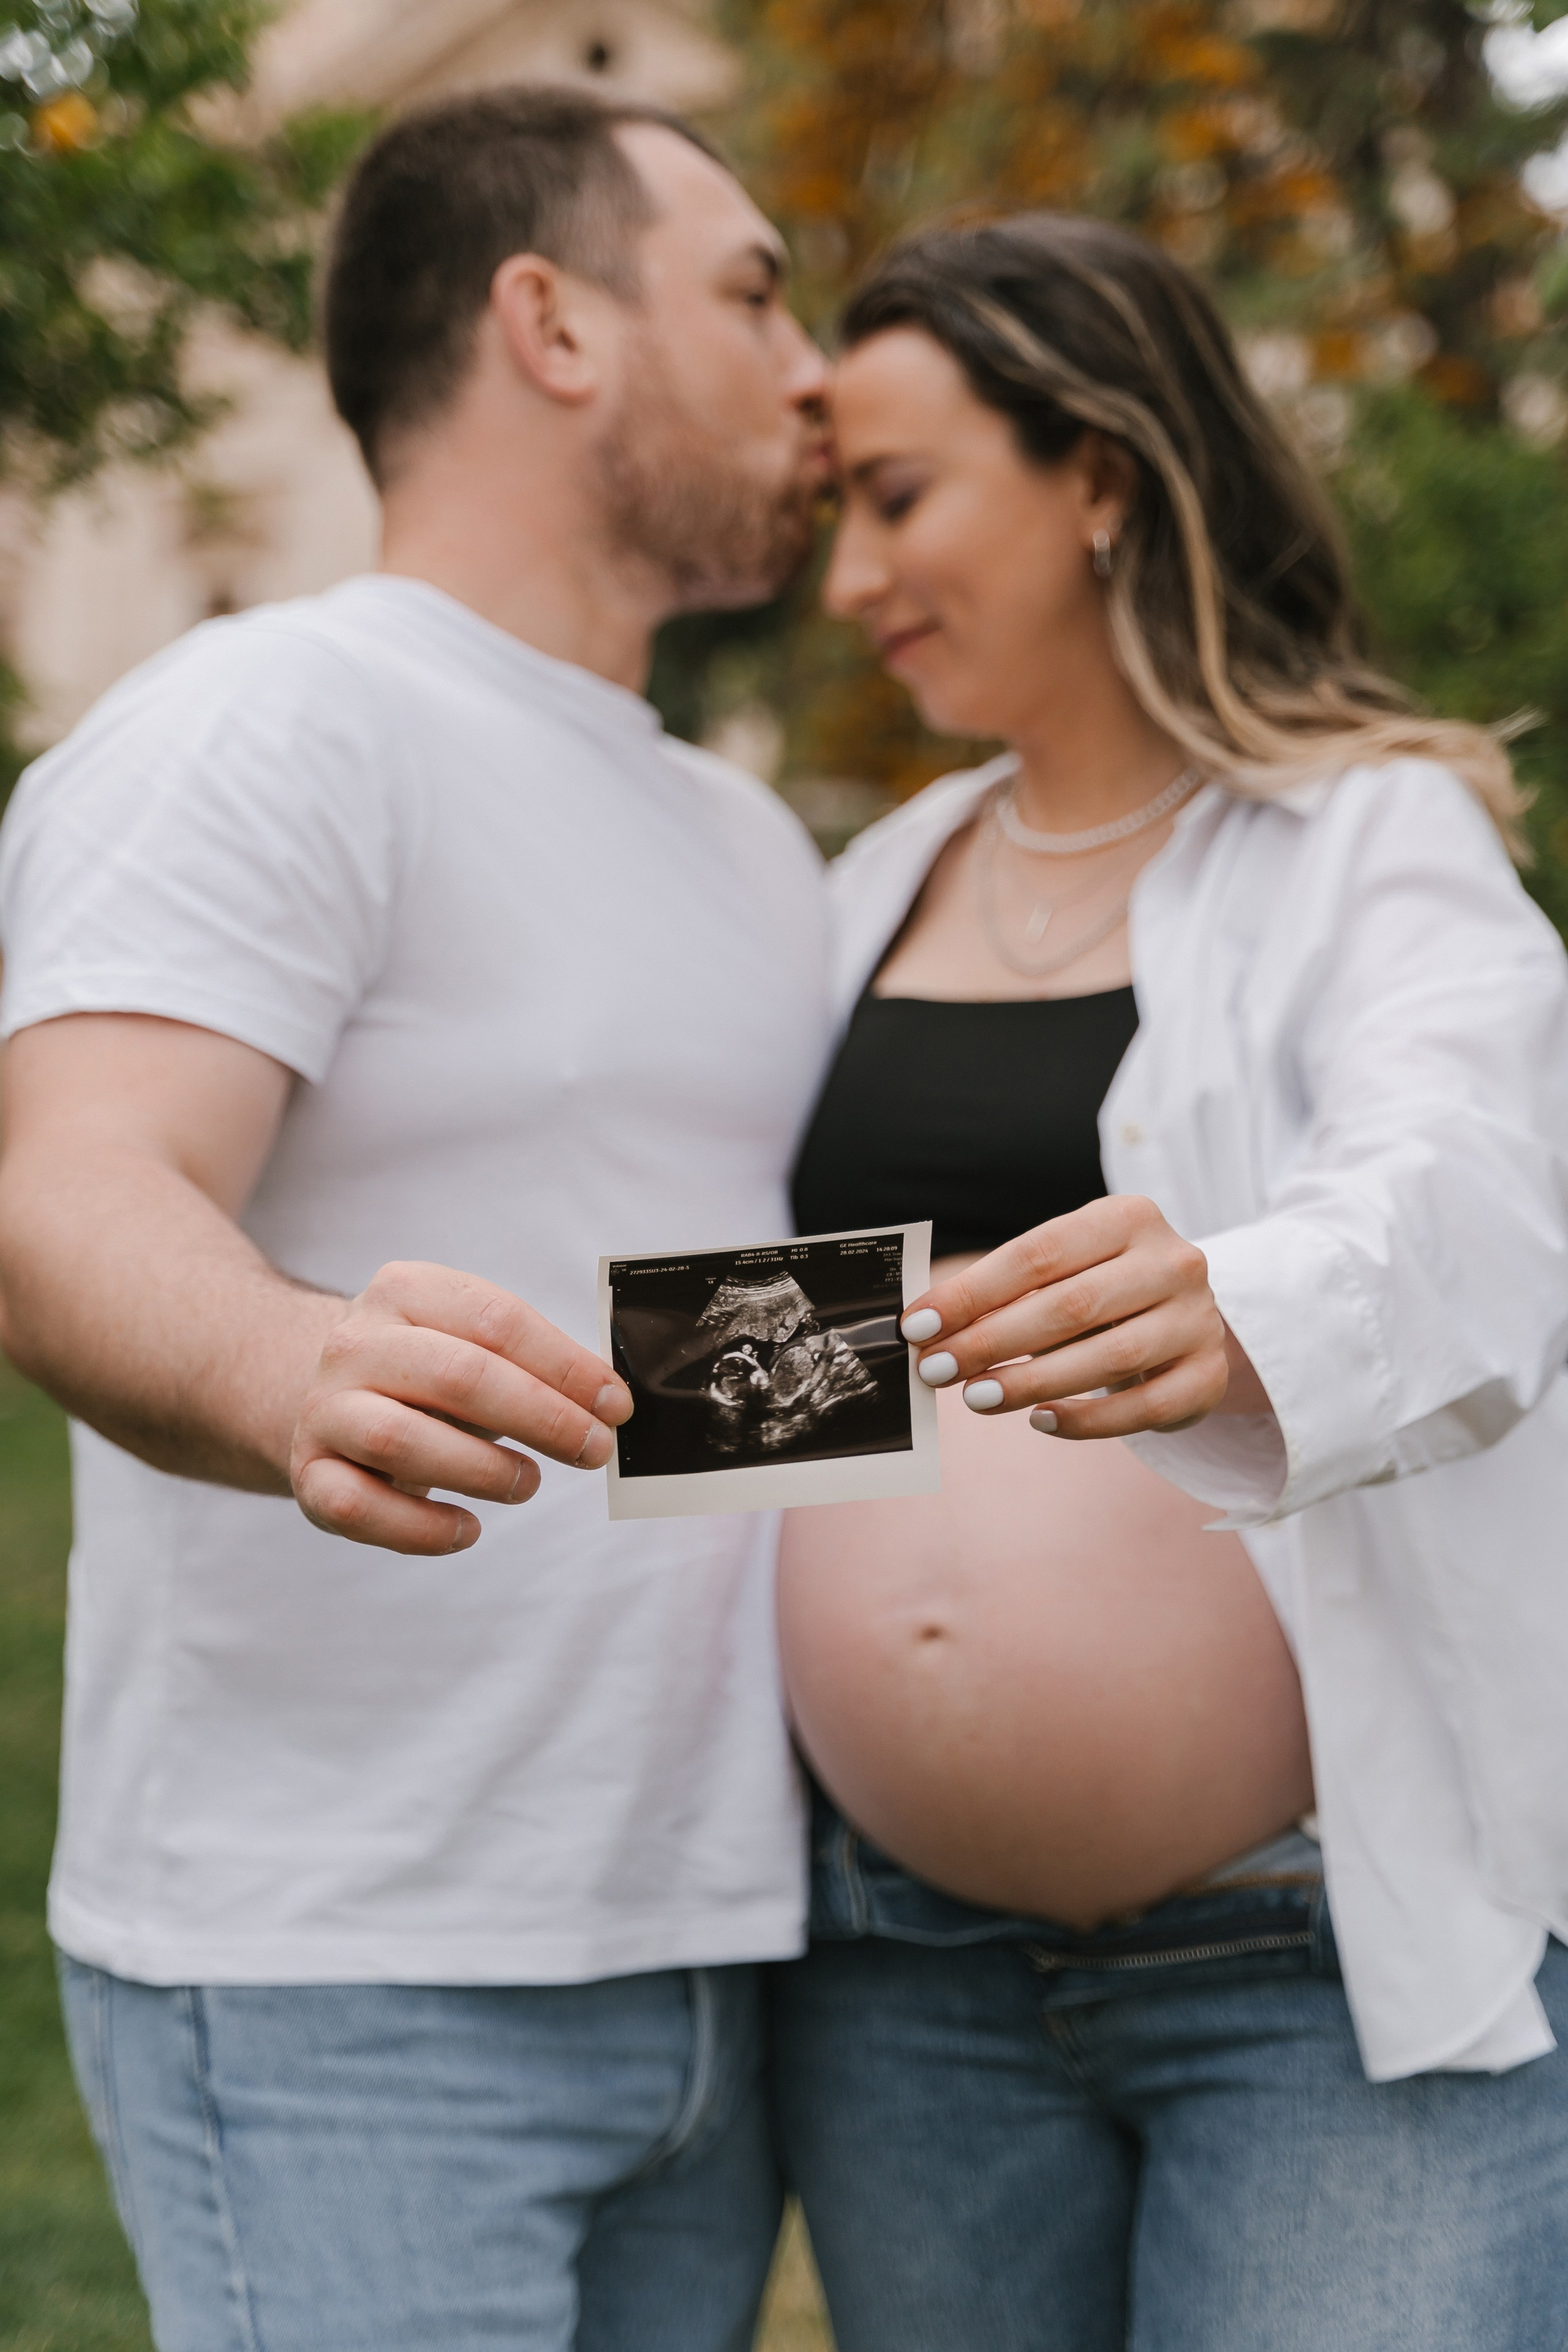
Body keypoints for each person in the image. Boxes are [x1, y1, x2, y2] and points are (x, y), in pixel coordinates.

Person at [0, 88, 834, 2352]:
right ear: (551, 324)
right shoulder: (266, 724)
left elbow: (679, 1351)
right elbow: (70, 1187)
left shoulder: (746, 841)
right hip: (341, 1970)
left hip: (708, 1941)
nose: (819, 367)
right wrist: (286, 1366)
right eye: (756, 294)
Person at [774, 212, 1568, 2350]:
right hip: (902, 1969)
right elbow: (819, 1350)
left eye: (901, 497)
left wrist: (1256, 1304)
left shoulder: (1370, 840)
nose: (850, 581)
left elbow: (1482, 1191)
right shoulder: (865, 887)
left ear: (1101, 472)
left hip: (1310, 1954)